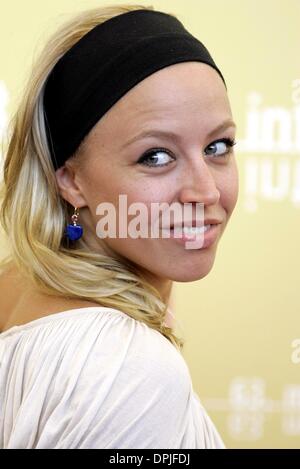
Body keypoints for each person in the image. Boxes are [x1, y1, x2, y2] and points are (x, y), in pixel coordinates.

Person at [0, 4, 238, 449]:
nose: (205, 191)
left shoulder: (15, 291)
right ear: (71, 180)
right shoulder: (127, 363)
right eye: (156, 156)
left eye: (218, 145)